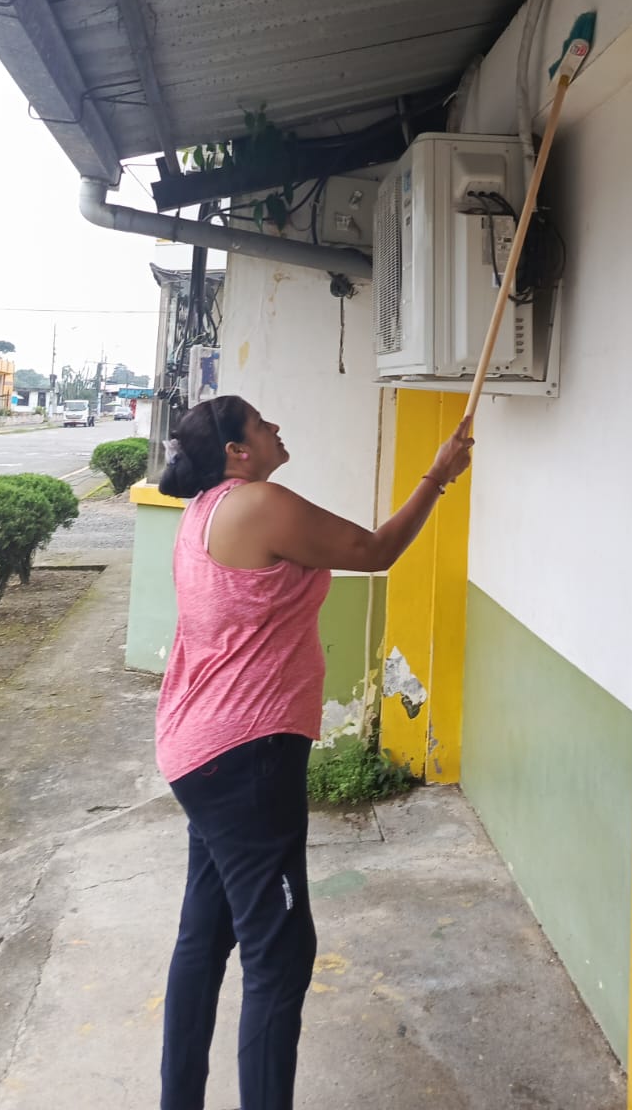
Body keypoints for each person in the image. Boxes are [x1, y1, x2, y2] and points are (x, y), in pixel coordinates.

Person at [155, 393, 473, 1110]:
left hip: (198, 750)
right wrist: (438, 475)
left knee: (204, 938)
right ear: (237, 451)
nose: (276, 428)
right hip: (245, 756)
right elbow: (375, 552)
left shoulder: (203, 511)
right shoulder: (258, 504)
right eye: (261, 424)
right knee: (279, 954)